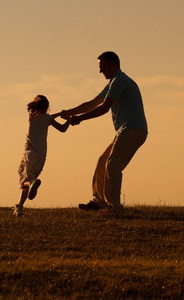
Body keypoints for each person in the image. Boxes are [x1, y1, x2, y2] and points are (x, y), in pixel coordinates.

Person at [61, 51, 148, 211]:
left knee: (113, 165)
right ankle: (99, 202)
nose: (100, 71)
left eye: (102, 67)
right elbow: (93, 103)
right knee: (103, 161)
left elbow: (104, 108)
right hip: (126, 130)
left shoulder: (120, 81)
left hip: (133, 129)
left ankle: (114, 206)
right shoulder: (113, 82)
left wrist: (80, 119)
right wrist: (71, 113)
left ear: (112, 64)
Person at [14, 95, 71, 216]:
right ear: (47, 107)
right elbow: (62, 129)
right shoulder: (47, 119)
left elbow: (44, 116)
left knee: (24, 181)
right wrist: (69, 120)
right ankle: (19, 207)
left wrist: (56, 115)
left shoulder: (31, 115)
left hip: (29, 153)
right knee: (25, 180)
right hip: (41, 155)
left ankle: (32, 184)